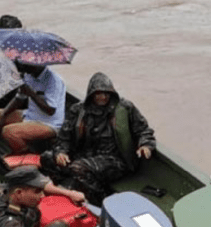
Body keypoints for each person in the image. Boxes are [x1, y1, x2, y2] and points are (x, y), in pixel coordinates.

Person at [44, 72, 155, 205]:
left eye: (106, 93)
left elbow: (143, 130)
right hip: (85, 155)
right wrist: (60, 152)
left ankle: (101, 202)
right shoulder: (78, 110)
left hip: (115, 159)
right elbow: (64, 137)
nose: (103, 97)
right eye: (99, 93)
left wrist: (145, 145)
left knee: (79, 168)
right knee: (47, 157)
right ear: (92, 94)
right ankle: (66, 189)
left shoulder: (125, 108)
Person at [0, 60, 66, 154]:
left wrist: (31, 94)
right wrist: (4, 114)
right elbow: (19, 99)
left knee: (9, 132)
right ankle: (13, 146)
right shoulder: (28, 75)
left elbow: (50, 110)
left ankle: (26, 155)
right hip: (30, 115)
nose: (23, 66)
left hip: (49, 123)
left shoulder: (54, 81)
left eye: (25, 64)